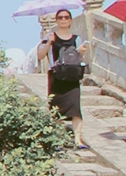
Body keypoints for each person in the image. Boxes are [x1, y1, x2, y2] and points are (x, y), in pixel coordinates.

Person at [35, 8, 90, 148]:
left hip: (72, 76)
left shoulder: (76, 39)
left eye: (66, 17)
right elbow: (40, 56)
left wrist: (82, 53)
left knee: (75, 109)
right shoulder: (49, 36)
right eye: (60, 17)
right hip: (56, 76)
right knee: (56, 109)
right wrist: (48, 43)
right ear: (57, 20)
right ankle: (58, 140)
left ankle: (78, 139)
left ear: (70, 20)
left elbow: (78, 59)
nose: (63, 20)